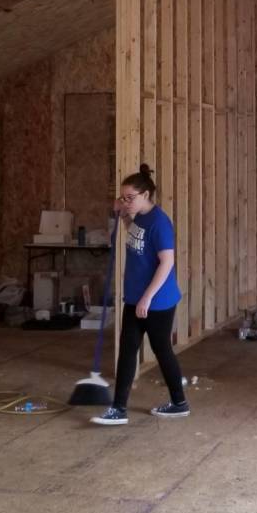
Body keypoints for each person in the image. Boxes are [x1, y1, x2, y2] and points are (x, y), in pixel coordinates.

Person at [91, 165, 190, 425]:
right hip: (135, 298)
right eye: (123, 197)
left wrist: (147, 298)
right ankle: (118, 409)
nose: (126, 202)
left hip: (157, 301)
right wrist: (122, 213)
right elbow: (134, 234)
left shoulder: (159, 223)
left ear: (146, 195)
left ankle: (179, 403)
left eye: (130, 198)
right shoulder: (139, 218)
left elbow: (167, 264)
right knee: (127, 351)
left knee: (161, 349)